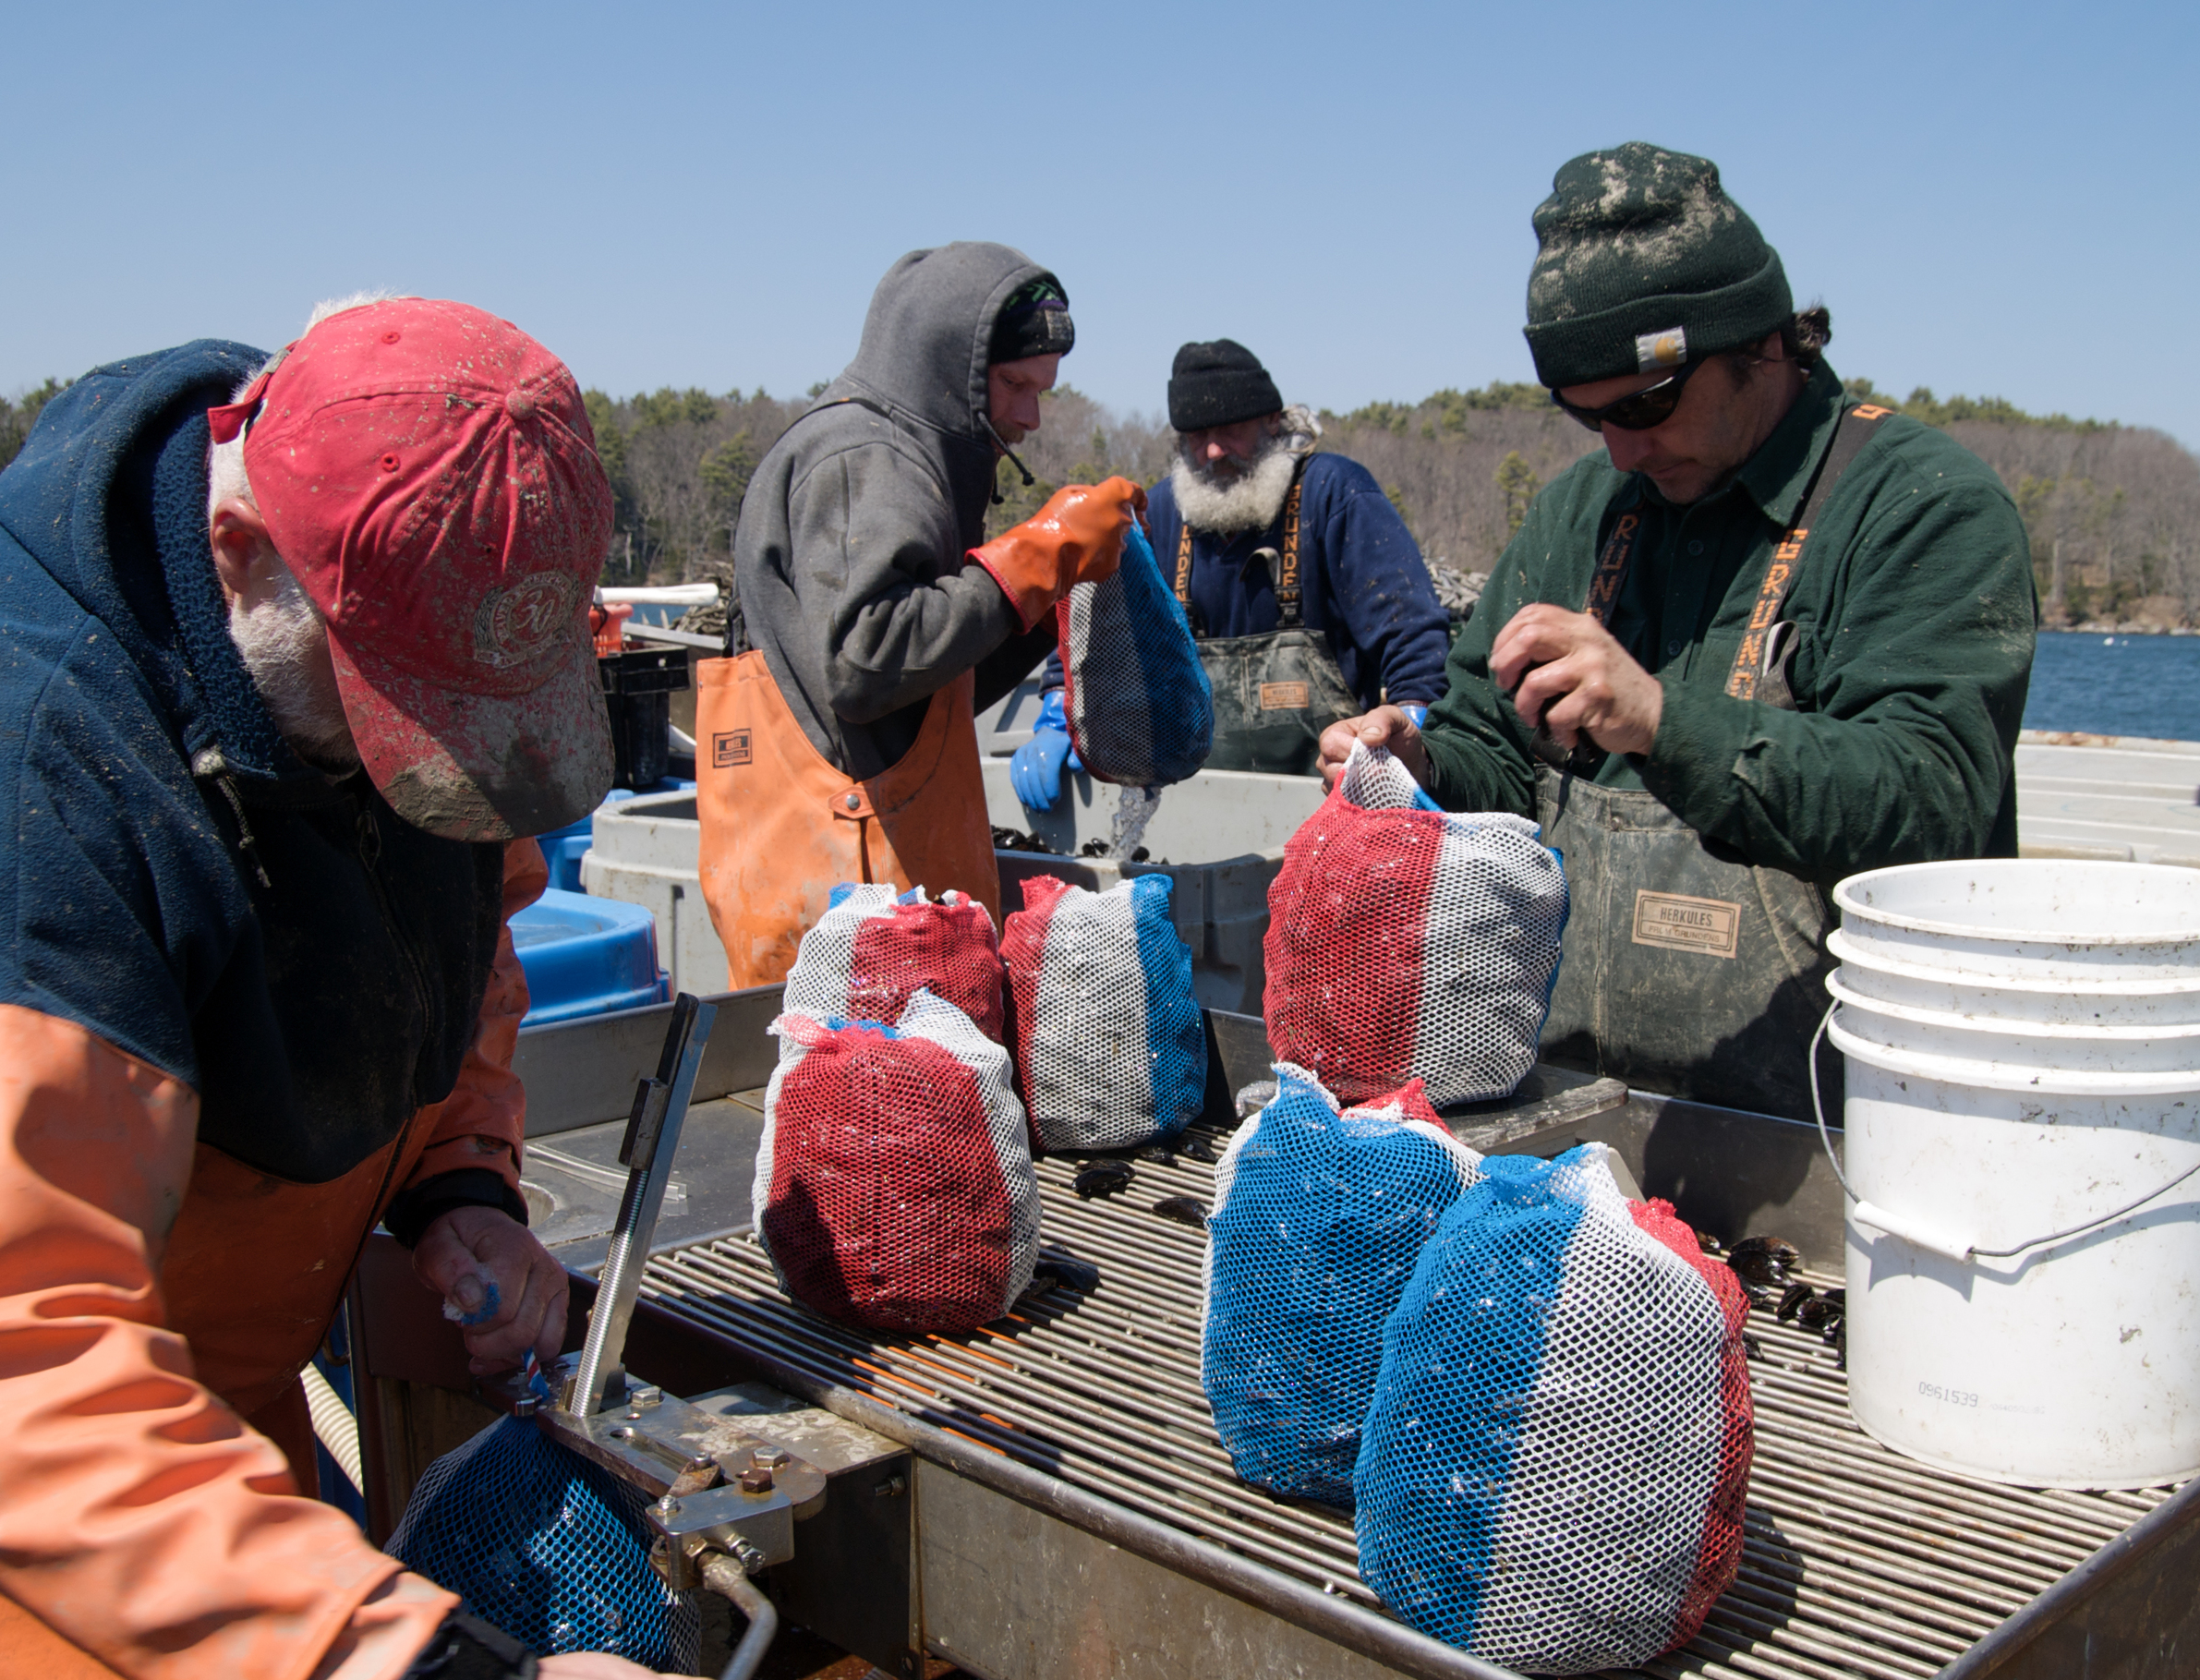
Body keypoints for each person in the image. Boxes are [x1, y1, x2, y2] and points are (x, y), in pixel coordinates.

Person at [0, 298, 768, 1680]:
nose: (437, 771)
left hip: (226, 1479)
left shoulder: (390, 618)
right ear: (242, 551)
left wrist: (460, 1180)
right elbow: (11, 1352)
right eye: (403, 716)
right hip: (45, 1538)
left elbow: (467, 952)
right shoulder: (30, 795)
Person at [1321, 143, 2037, 1119]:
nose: (1621, 447)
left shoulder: (1924, 504)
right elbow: (1495, 750)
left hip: (1835, 1133)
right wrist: (1421, 762)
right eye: (1588, 419)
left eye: (1648, 404)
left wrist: (1662, 721)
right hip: (1573, 1117)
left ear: (1761, 342)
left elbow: (1936, 805)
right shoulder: (1583, 510)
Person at [700, 243, 1142, 987]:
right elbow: (865, 661)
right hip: (851, 911)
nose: (1029, 415)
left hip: (885, 896)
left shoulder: (904, 459)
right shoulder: (863, 454)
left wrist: (1041, 602)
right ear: (950, 367)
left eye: (1043, 390)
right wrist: (1036, 558)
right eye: (1012, 384)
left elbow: (927, 689)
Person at [1011, 338, 1450, 804]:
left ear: (1272, 421)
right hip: (1199, 800)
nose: (1215, 450)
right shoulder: (1157, 515)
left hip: (1328, 800)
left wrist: (1416, 729)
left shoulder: (1334, 494)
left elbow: (1412, 635)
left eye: (1231, 429)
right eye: (1198, 436)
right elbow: (1089, 628)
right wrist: (1059, 710)